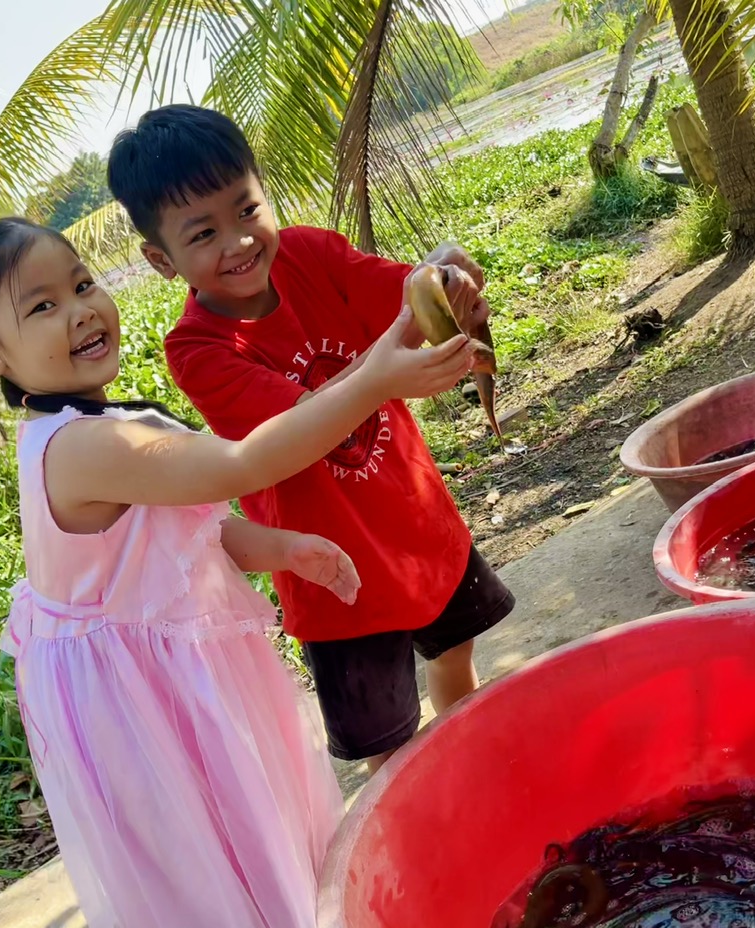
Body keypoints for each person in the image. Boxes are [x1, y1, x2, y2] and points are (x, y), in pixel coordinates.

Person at [0, 217, 476, 928]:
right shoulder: (81, 445)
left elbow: (180, 535)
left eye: (83, 284)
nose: (81, 310)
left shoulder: (93, 423)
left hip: (169, 672)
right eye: (43, 305)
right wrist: (374, 379)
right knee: (228, 856)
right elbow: (242, 464)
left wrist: (282, 548)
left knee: (265, 832)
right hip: (143, 702)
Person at [107, 104, 516, 775]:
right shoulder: (198, 349)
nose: (239, 241)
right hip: (334, 577)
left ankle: (476, 772)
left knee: (455, 654)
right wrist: (382, 375)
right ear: (161, 259)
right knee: (387, 739)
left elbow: (407, 301)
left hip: (416, 523)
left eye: (247, 210)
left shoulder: (312, 254)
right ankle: (415, 817)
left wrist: (442, 279)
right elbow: (304, 425)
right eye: (204, 232)